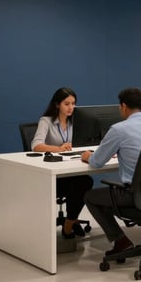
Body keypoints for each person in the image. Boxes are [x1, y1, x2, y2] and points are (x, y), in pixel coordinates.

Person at [82, 87, 141, 256]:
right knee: (106, 196)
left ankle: (120, 241)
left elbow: (97, 162)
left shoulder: (119, 129)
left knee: (91, 197)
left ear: (123, 106)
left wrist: (87, 156)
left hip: (136, 195)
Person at [31, 87, 93, 239]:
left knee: (85, 181)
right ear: (57, 104)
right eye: (67, 104)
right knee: (80, 184)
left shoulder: (77, 122)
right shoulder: (46, 121)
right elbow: (36, 145)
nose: (71, 107)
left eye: (73, 103)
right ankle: (70, 223)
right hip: (53, 176)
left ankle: (69, 221)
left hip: (72, 170)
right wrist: (58, 148)